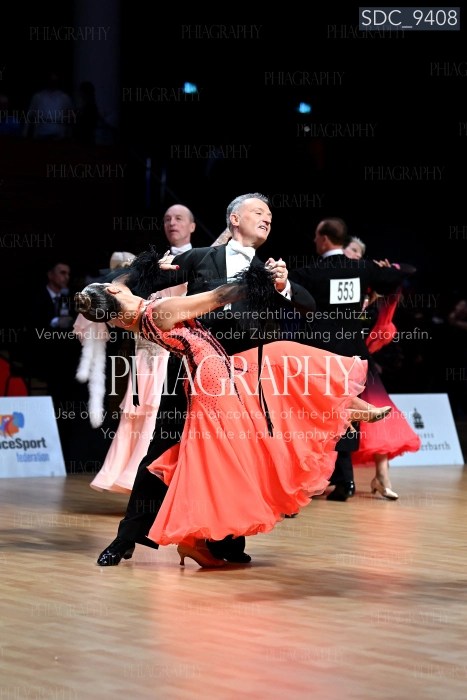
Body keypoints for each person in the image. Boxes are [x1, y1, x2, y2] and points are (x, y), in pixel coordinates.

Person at [75, 267, 391, 567]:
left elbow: (120, 282)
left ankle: (343, 405)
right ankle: (188, 538)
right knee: (227, 455)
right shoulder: (161, 310)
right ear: (113, 292)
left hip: (218, 370)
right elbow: (218, 297)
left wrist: (151, 266)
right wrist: (259, 278)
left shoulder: (126, 318)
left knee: (281, 362)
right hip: (213, 380)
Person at [94, 192, 316, 566]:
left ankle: (223, 542)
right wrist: (116, 285)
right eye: (258, 211)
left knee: (236, 458)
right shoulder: (200, 258)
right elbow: (145, 276)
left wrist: (283, 286)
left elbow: (308, 305)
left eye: (270, 215)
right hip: (191, 369)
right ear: (234, 219)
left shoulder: (268, 271)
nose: (267, 218)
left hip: (239, 378)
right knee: (161, 451)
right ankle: (127, 537)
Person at [289, 217, 417, 501]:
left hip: (319, 354)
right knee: (347, 414)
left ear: (324, 239)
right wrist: (384, 272)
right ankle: (344, 481)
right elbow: (404, 272)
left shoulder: (311, 271)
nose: (314, 241)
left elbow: (284, 290)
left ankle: (317, 480)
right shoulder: (361, 268)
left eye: (316, 236)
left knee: (316, 415)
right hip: (352, 353)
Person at [343, 236, 421, 499]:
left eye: (357, 251)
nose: (352, 254)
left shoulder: (372, 285)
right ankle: (333, 478)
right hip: (334, 360)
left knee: (378, 416)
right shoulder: (333, 279)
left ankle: (382, 476)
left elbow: (408, 269)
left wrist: (388, 270)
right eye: (349, 249)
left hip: (362, 363)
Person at [23, 70, 74, 141]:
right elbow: (30, 115)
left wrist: (69, 135)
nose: (52, 83)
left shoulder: (64, 98)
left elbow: (70, 117)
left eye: (54, 81)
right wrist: (25, 133)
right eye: (51, 80)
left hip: (58, 135)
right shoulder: (38, 97)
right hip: (40, 134)